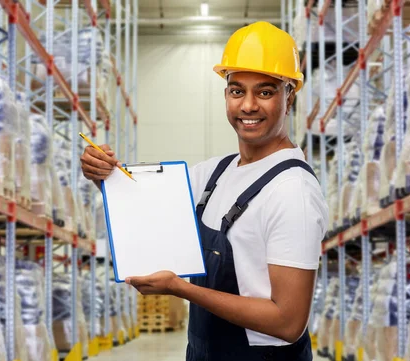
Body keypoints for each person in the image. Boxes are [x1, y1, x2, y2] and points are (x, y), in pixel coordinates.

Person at [80, 21, 328, 361]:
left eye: (266, 92)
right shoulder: (215, 174)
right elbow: (143, 206)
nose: (248, 106)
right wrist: (103, 174)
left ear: (290, 96)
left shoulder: (292, 192)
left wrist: (180, 288)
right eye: (237, 90)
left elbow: (287, 322)